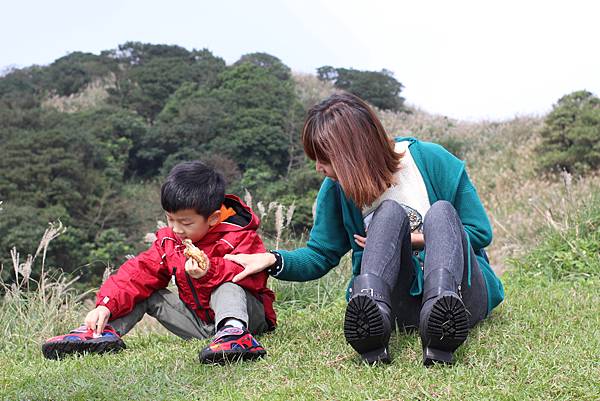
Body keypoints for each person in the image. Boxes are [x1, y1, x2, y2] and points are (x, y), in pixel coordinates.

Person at [226, 92, 504, 366]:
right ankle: (373, 319)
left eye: (324, 159)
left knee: (442, 211)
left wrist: (412, 240)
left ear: (352, 154)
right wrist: (273, 260)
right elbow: (320, 254)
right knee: (389, 213)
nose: (318, 168)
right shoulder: (336, 190)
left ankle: (440, 320)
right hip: (400, 306)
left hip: (461, 297)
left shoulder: (433, 160)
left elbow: (479, 232)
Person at [42, 161, 276, 363]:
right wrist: (106, 304)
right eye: (170, 219)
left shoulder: (240, 235)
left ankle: (234, 334)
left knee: (228, 285)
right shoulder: (170, 241)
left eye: (185, 222)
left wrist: (208, 271)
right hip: (201, 325)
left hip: (249, 319)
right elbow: (138, 272)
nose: (176, 229)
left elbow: (251, 276)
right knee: (147, 290)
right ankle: (100, 333)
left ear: (213, 218)